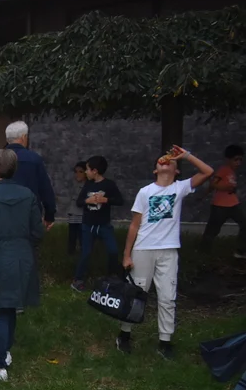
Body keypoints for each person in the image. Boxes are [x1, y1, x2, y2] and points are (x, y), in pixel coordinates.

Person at [119, 146, 213, 358]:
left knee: (167, 297)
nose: (166, 161)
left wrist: (186, 155)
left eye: (172, 161)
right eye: (161, 161)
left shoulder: (180, 188)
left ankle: (165, 341)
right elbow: (134, 225)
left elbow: (208, 172)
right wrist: (126, 254)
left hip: (168, 251)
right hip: (143, 249)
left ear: (177, 171)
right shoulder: (145, 192)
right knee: (136, 294)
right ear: (155, 170)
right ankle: (124, 334)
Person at [0, 149, 45, 382]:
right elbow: (38, 231)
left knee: (0, 311)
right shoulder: (28, 194)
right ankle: (4, 352)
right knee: (11, 306)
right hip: (23, 256)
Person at [0, 121, 56, 229]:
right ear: (24, 137)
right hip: (28, 216)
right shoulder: (34, 159)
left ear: (7, 139)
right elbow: (45, 190)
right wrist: (49, 215)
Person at [70, 155, 124, 292]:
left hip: (104, 225)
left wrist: (106, 200)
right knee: (86, 253)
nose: (86, 172)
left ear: (95, 171)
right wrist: (87, 201)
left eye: (87, 169)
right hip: (88, 225)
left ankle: (111, 278)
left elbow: (120, 200)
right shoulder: (88, 185)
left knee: (113, 251)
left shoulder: (109, 184)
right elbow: (79, 201)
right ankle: (78, 280)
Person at [203, 144, 245, 259]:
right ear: (228, 159)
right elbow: (213, 184)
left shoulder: (232, 172)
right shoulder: (223, 170)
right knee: (213, 230)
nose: (238, 163)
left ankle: (240, 250)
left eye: (240, 160)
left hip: (233, 204)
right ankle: (204, 253)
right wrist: (223, 188)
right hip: (220, 205)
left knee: (244, 224)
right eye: (236, 160)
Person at [66, 162, 86, 255]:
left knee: (83, 239)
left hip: (82, 216)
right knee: (72, 238)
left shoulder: (87, 187)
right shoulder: (75, 185)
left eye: (81, 172)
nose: (77, 174)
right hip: (73, 215)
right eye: (76, 172)